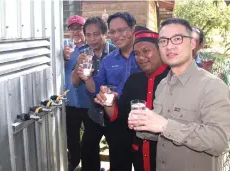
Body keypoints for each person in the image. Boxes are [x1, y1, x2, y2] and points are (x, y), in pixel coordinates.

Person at [128, 18, 230, 171]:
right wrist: (143, 126)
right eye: (163, 41)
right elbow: (162, 133)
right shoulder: (163, 84)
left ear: (192, 44)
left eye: (177, 39)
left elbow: (219, 141)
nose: (169, 46)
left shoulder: (213, 86)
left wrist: (165, 125)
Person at [94, 26, 170, 171]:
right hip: (139, 152)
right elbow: (121, 115)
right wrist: (108, 103)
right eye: (136, 53)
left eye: (146, 51)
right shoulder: (134, 80)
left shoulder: (173, 79)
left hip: (166, 155)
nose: (140, 57)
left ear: (160, 51)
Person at [76, 12, 140, 171]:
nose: (117, 35)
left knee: (143, 163)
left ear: (133, 29)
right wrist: (86, 78)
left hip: (142, 117)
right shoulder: (109, 60)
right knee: (119, 162)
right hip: (115, 118)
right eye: (113, 32)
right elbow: (96, 89)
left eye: (122, 30)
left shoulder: (143, 54)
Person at [71, 16, 116, 171]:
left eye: (96, 34)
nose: (92, 39)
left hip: (114, 113)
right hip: (93, 113)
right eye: (88, 35)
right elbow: (75, 83)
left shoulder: (115, 53)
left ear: (105, 34)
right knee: (88, 150)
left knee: (118, 153)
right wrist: (79, 63)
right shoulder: (84, 53)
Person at [63, 15, 90, 171]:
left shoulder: (91, 47)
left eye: (79, 28)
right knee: (71, 137)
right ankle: (74, 164)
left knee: (90, 139)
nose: (76, 31)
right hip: (70, 101)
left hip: (88, 101)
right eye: (72, 28)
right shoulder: (65, 47)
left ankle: (89, 165)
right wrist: (63, 58)